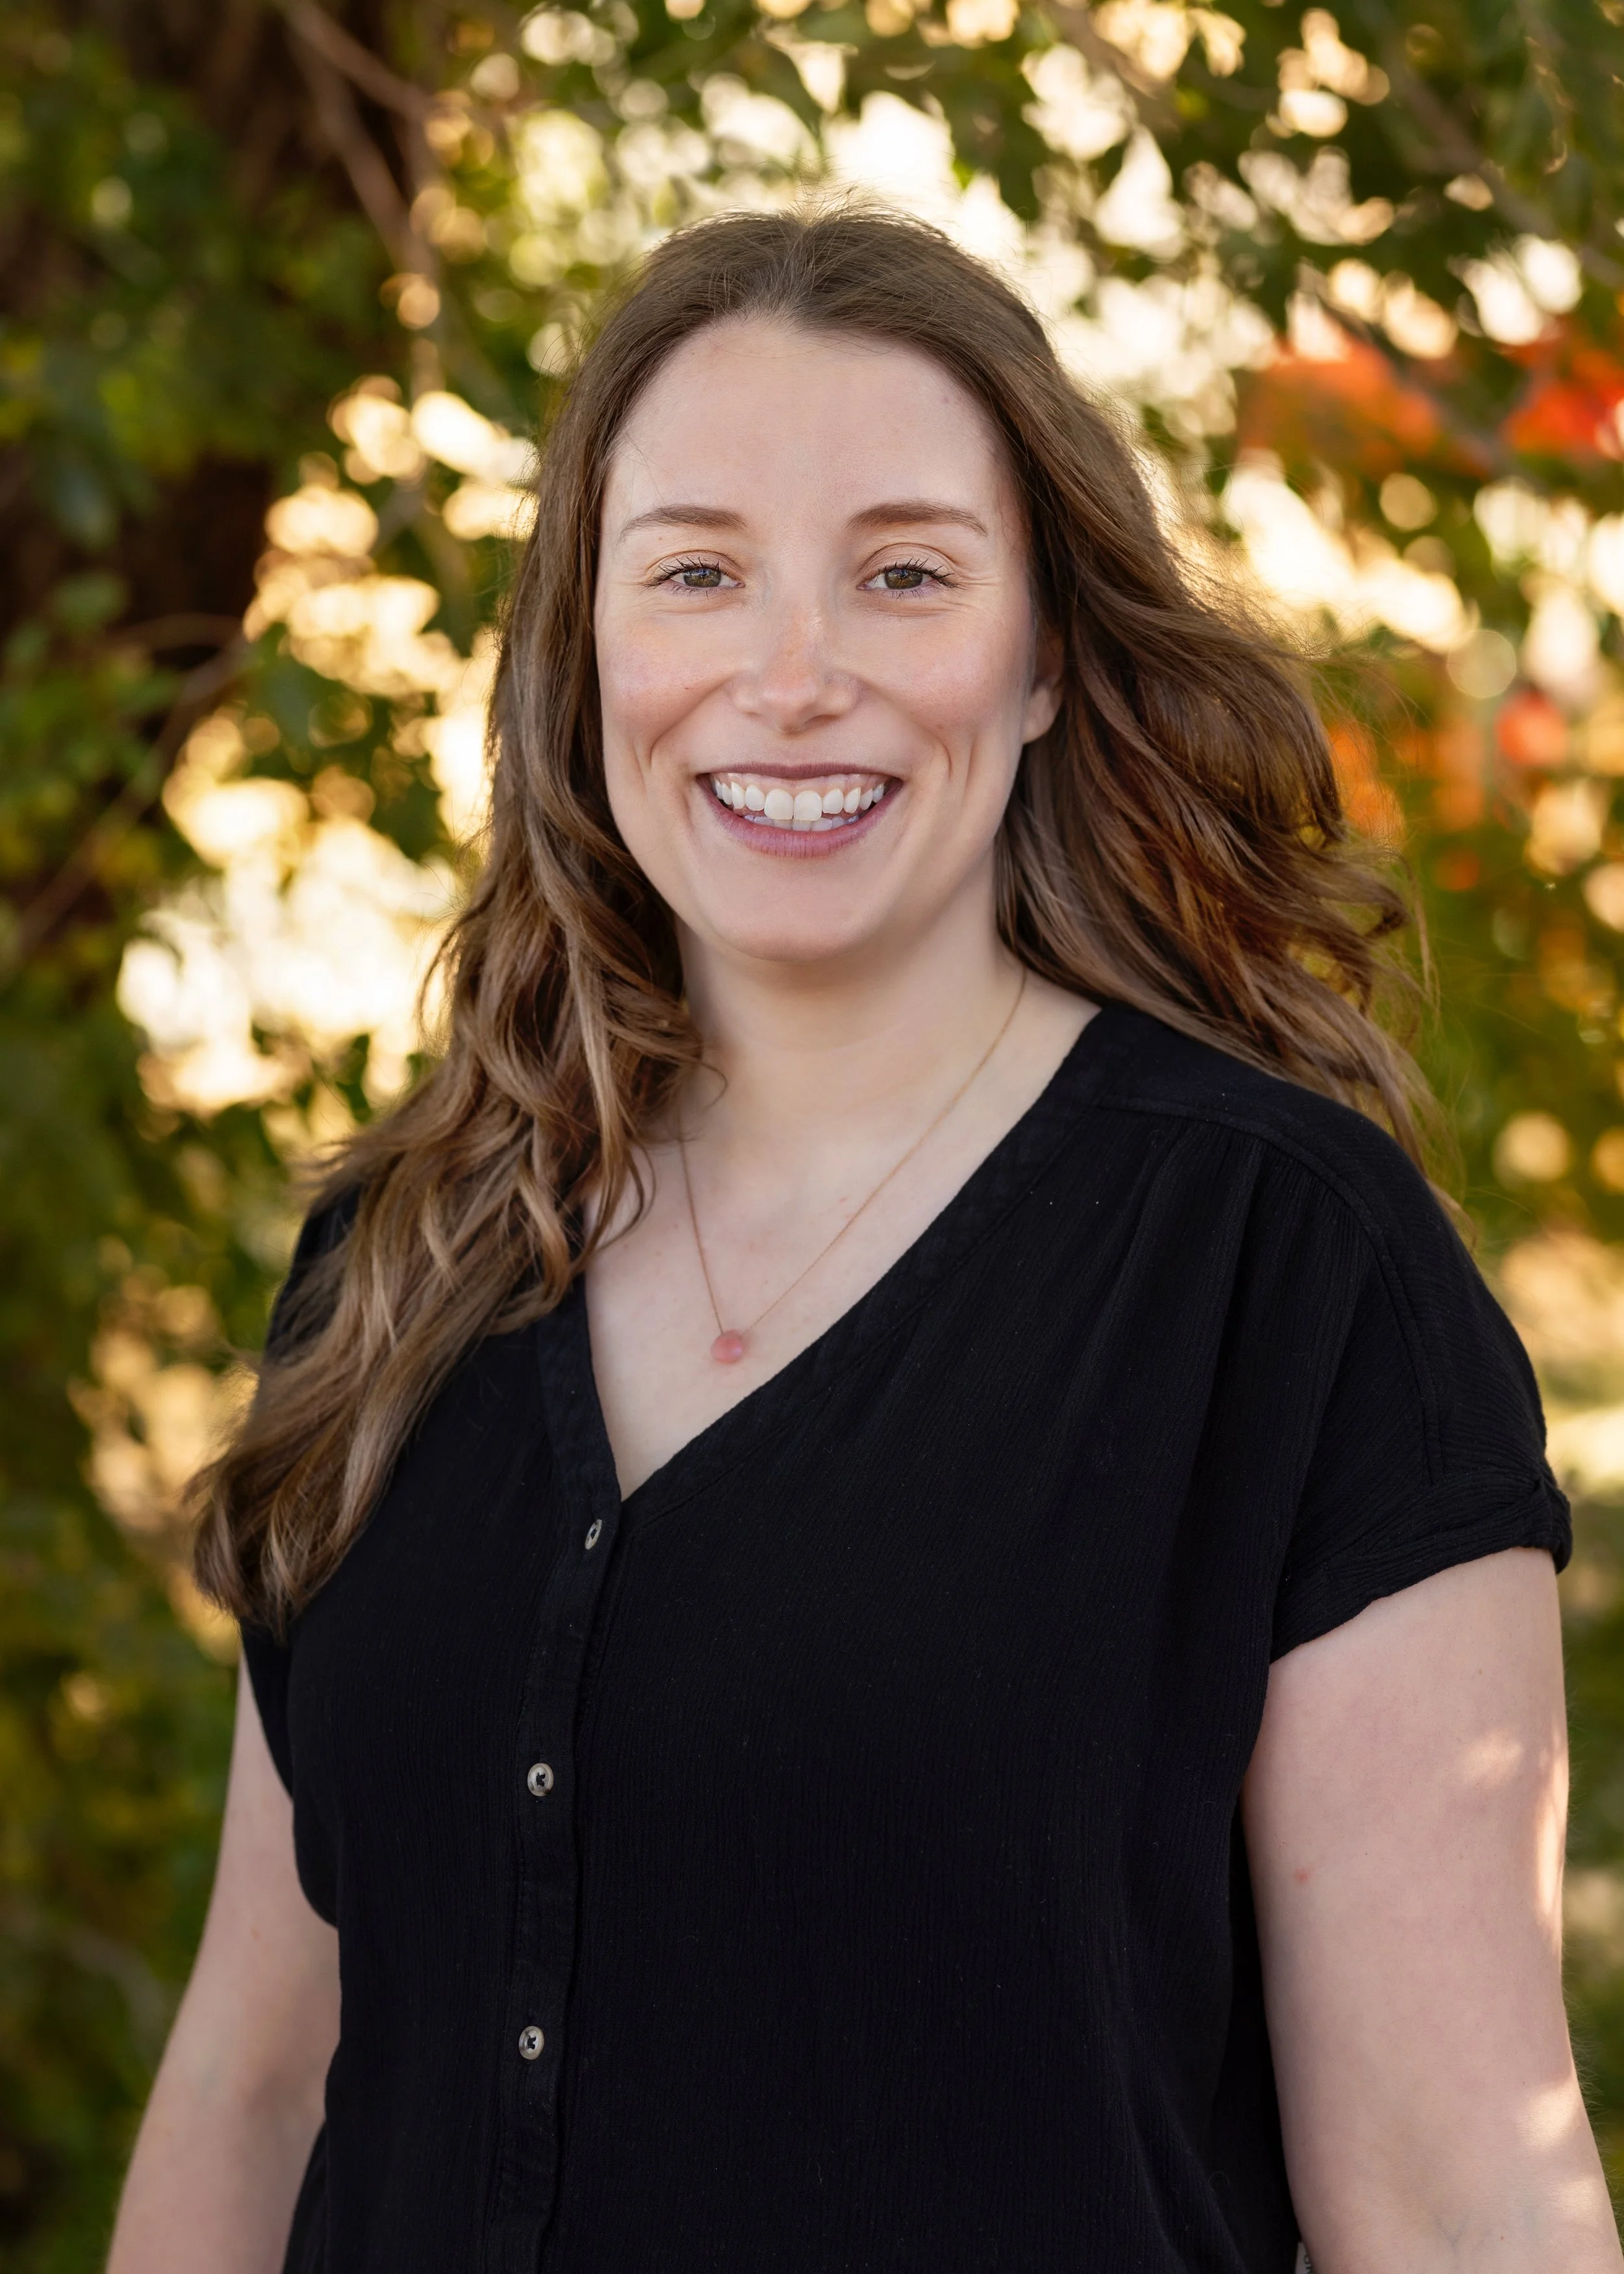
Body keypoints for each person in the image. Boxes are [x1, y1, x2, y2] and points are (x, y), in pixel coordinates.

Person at [107, 208, 1620, 2274]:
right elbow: (257, 2080)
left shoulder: (1289, 1279)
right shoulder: (404, 1257)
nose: (790, 675)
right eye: (697, 573)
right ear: (587, 650)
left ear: (1042, 658)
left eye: (903, 574)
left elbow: (1460, 2204)